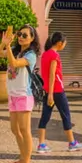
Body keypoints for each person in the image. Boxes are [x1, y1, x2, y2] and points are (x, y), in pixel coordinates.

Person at [36, 32, 82, 155]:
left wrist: (48, 92)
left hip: (47, 90)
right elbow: (52, 75)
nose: (65, 46)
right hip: (56, 90)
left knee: (45, 117)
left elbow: (45, 75)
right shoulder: (54, 55)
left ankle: (41, 144)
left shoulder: (45, 55)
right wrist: (51, 93)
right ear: (59, 43)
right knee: (66, 115)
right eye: (64, 44)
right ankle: (72, 143)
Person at [4, 24, 39, 163]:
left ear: (32, 38)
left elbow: (13, 64)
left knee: (25, 129)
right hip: (13, 94)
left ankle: (26, 160)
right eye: (19, 34)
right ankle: (22, 157)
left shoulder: (31, 55)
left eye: (25, 35)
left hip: (24, 95)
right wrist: (4, 44)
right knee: (14, 129)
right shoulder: (15, 50)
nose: (21, 37)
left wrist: (7, 47)